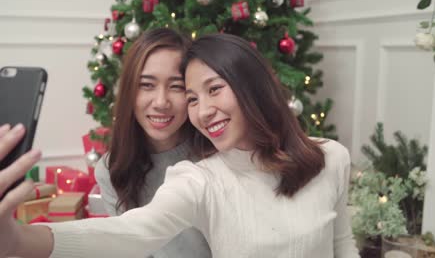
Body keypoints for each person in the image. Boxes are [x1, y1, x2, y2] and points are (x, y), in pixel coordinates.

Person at [0, 33, 360, 258]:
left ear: (252, 86)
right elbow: (132, 233)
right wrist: (20, 242)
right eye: (192, 97)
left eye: (214, 89)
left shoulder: (331, 158)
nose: (202, 111)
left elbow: (343, 246)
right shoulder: (199, 179)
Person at [93, 28, 211, 258]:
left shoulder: (216, 154)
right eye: (147, 85)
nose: (161, 102)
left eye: (176, 86)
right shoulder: (111, 169)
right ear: (130, 91)